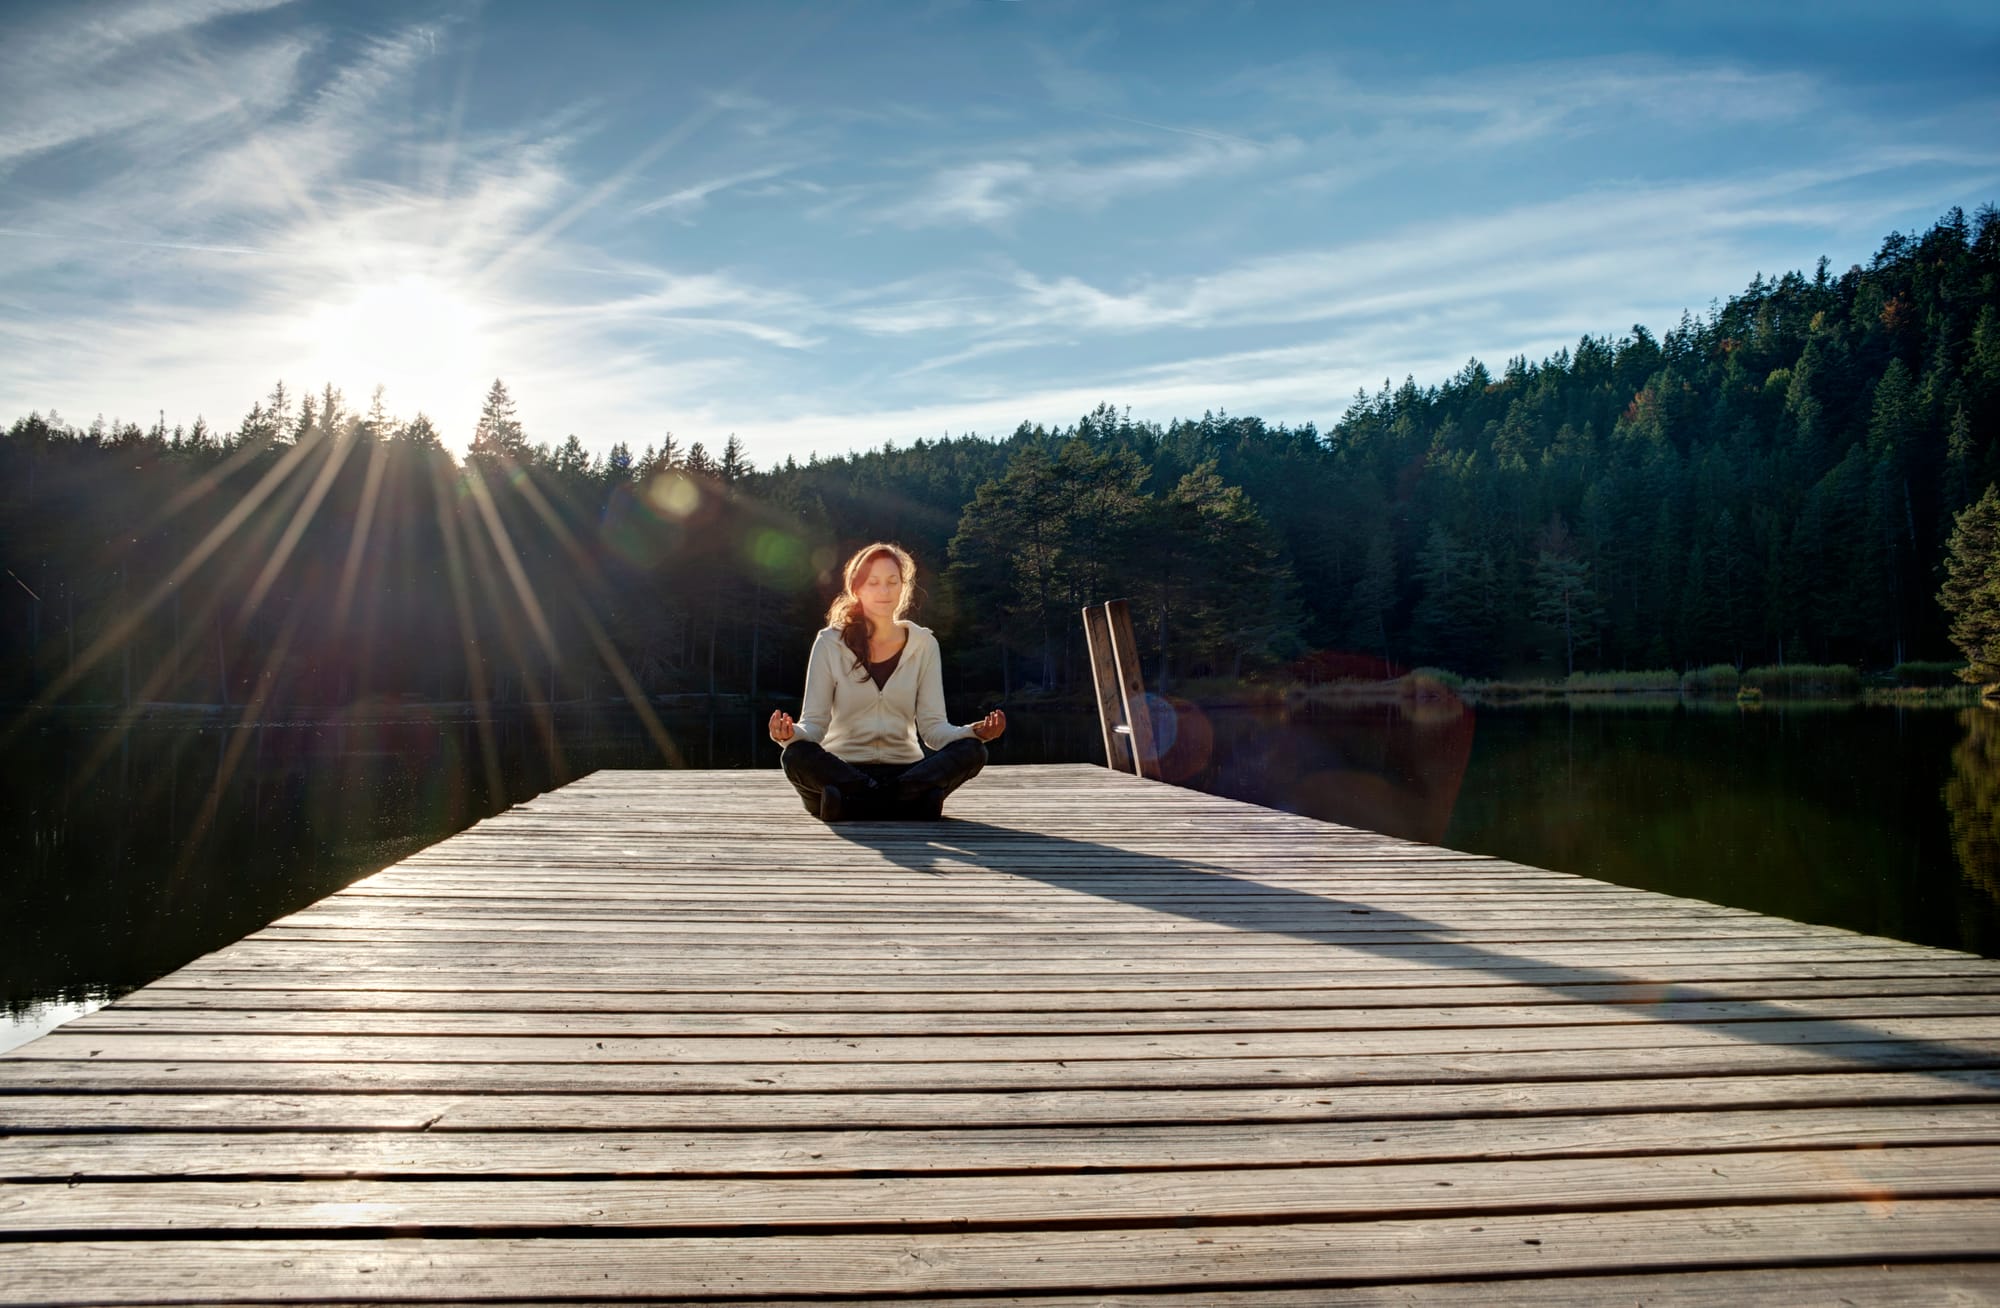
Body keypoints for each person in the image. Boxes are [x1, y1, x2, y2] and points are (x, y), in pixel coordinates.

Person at [769, 541, 1005, 821]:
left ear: (903, 588)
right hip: (842, 769)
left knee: (973, 752)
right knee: (795, 756)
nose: (884, 591)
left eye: (893, 582)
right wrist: (788, 735)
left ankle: (855, 804)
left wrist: (974, 733)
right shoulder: (830, 643)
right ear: (857, 588)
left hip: (905, 771)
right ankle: (905, 802)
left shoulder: (924, 644)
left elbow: (933, 729)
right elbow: (815, 725)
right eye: (874, 582)